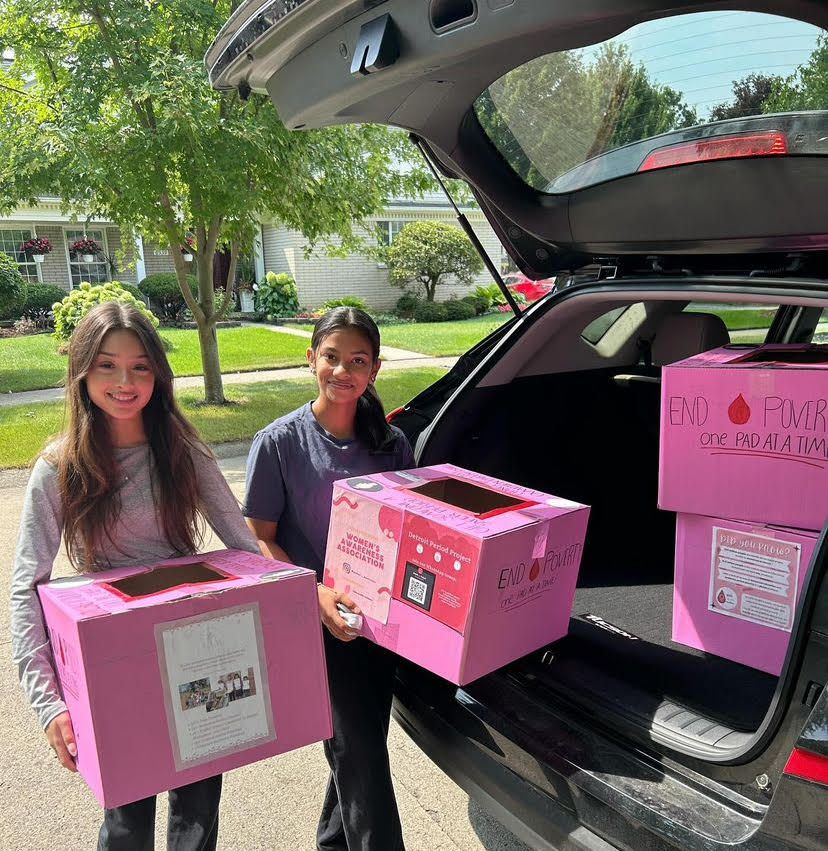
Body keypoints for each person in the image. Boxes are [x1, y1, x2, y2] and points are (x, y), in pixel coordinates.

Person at [10, 302, 260, 851]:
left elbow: (243, 543)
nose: (125, 382)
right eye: (106, 365)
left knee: (197, 812)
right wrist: (49, 703)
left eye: (140, 366)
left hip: (196, 653)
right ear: (81, 372)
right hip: (115, 665)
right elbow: (28, 587)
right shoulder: (59, 466)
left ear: (159, 375)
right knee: (127, 822)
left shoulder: (184, 451)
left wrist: (299, 596)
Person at [244, 307, 415, 851]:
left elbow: (415, 527)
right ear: (310, 358)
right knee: (360, 751)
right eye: (332, 357)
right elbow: (260, 539)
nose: (343, 370)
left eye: (357, 361)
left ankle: (330, 844)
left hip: (381, 624)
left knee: (356, 746)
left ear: (375, 369)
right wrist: (312, 591)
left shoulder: (391, 444)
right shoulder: (278, 443)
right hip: (320, 622)